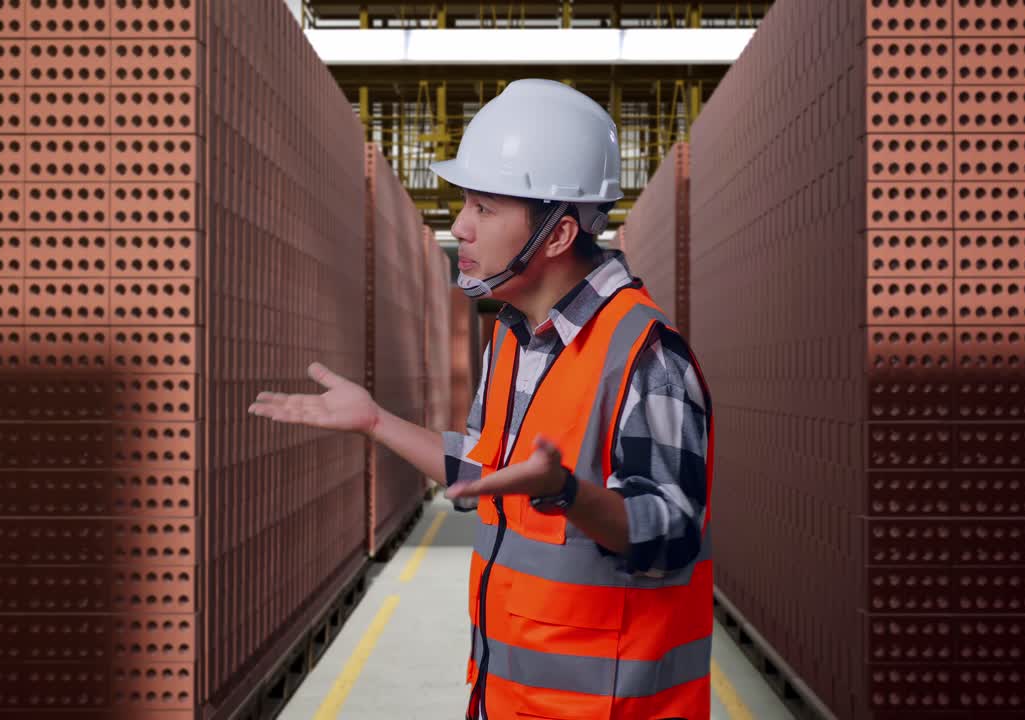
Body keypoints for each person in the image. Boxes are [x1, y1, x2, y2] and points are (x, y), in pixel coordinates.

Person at [249, 78, 714, 720]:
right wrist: (376, 422)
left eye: (484, 208)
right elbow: (485, 471)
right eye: (464, 203)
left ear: (557, 235)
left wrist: (567, 493)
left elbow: (671, 534)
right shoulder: (514, 339)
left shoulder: (647, 356)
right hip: (509, 699)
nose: (460, 226)